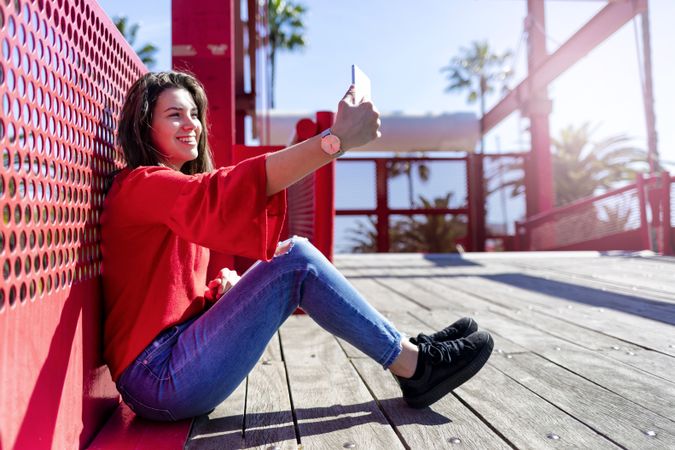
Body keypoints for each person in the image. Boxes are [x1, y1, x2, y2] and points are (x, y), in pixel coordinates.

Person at [101, 71, 493, 421]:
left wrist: (214, 296)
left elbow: (161, 295)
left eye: (194, 114)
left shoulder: (168, 190)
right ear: (143, 127)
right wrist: (334, 141)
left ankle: (406, 349)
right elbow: (227, 189)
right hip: (158, 377)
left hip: (170, 366)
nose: (193, 125)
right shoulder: (140, 185)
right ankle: (416, 366)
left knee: (293, 256)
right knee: (297, 260)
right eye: (174, 115)